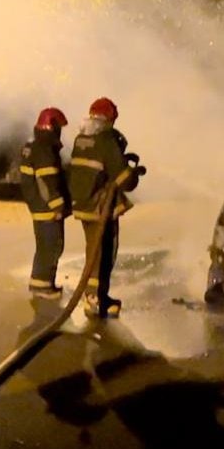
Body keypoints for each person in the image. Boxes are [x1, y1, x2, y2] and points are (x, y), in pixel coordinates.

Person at [68, 97, 146, 319]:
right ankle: (94, 298)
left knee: (94, 249)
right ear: (109, 119)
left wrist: (121, 157)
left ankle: (97, 296)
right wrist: (132, 173)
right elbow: (124, 181)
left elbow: (99, 166)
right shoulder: (106, 139)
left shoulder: (81, 139)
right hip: (100, 208)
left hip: (84, 204)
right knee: (103, 252)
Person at [19, 107, 71, 300]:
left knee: (44, 246)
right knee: (52, 246)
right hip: (46, 208)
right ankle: (43, 287)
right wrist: (57, 205)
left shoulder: (31, 145)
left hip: (37, 206)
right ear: (53, 126)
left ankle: (39, 283)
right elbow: (46, 180)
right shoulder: (44, 147)